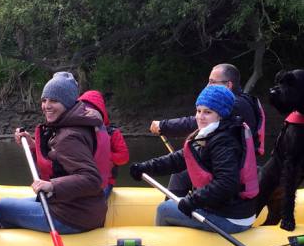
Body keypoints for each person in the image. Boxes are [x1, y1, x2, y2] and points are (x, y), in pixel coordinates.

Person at [130, 84, 258, 233]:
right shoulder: (215, 132)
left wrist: (193, 200)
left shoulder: (224, 141)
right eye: (198, 111)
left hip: (231, 217)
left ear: (221, 114)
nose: (200, 117)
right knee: (175, 203)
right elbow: (178, 159)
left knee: (164, 209)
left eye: (207, 112)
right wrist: (145, 167)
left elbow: (227, 183)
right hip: (227, 209)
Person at [0, 72, 108, 234]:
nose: (46, 106)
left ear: (68, 103)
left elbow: (91, 179)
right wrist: (34, 146)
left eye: (54, 101)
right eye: (44, 100)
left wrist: (52, 185)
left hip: (73, 216)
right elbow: (60, 160)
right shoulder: (78, 124)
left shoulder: (69, 136)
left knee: (2, 206)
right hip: (83, 208)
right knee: (24, 202)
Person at [148, 63, 265, 195]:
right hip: (235, 160)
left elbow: (195, 122)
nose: (208, 86)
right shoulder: (244, 101)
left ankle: (173, 212)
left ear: (228, 85)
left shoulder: (232, 105)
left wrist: (163, 126)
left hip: (232, 165)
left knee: (181, 172)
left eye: (212, 82)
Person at [78, 89, 129, 195]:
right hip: (82, 179)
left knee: (93, 200)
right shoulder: (78, 131)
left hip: (105, 182)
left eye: (90, 110)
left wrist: (106, 156)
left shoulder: (113, 132)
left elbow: (124, 157)